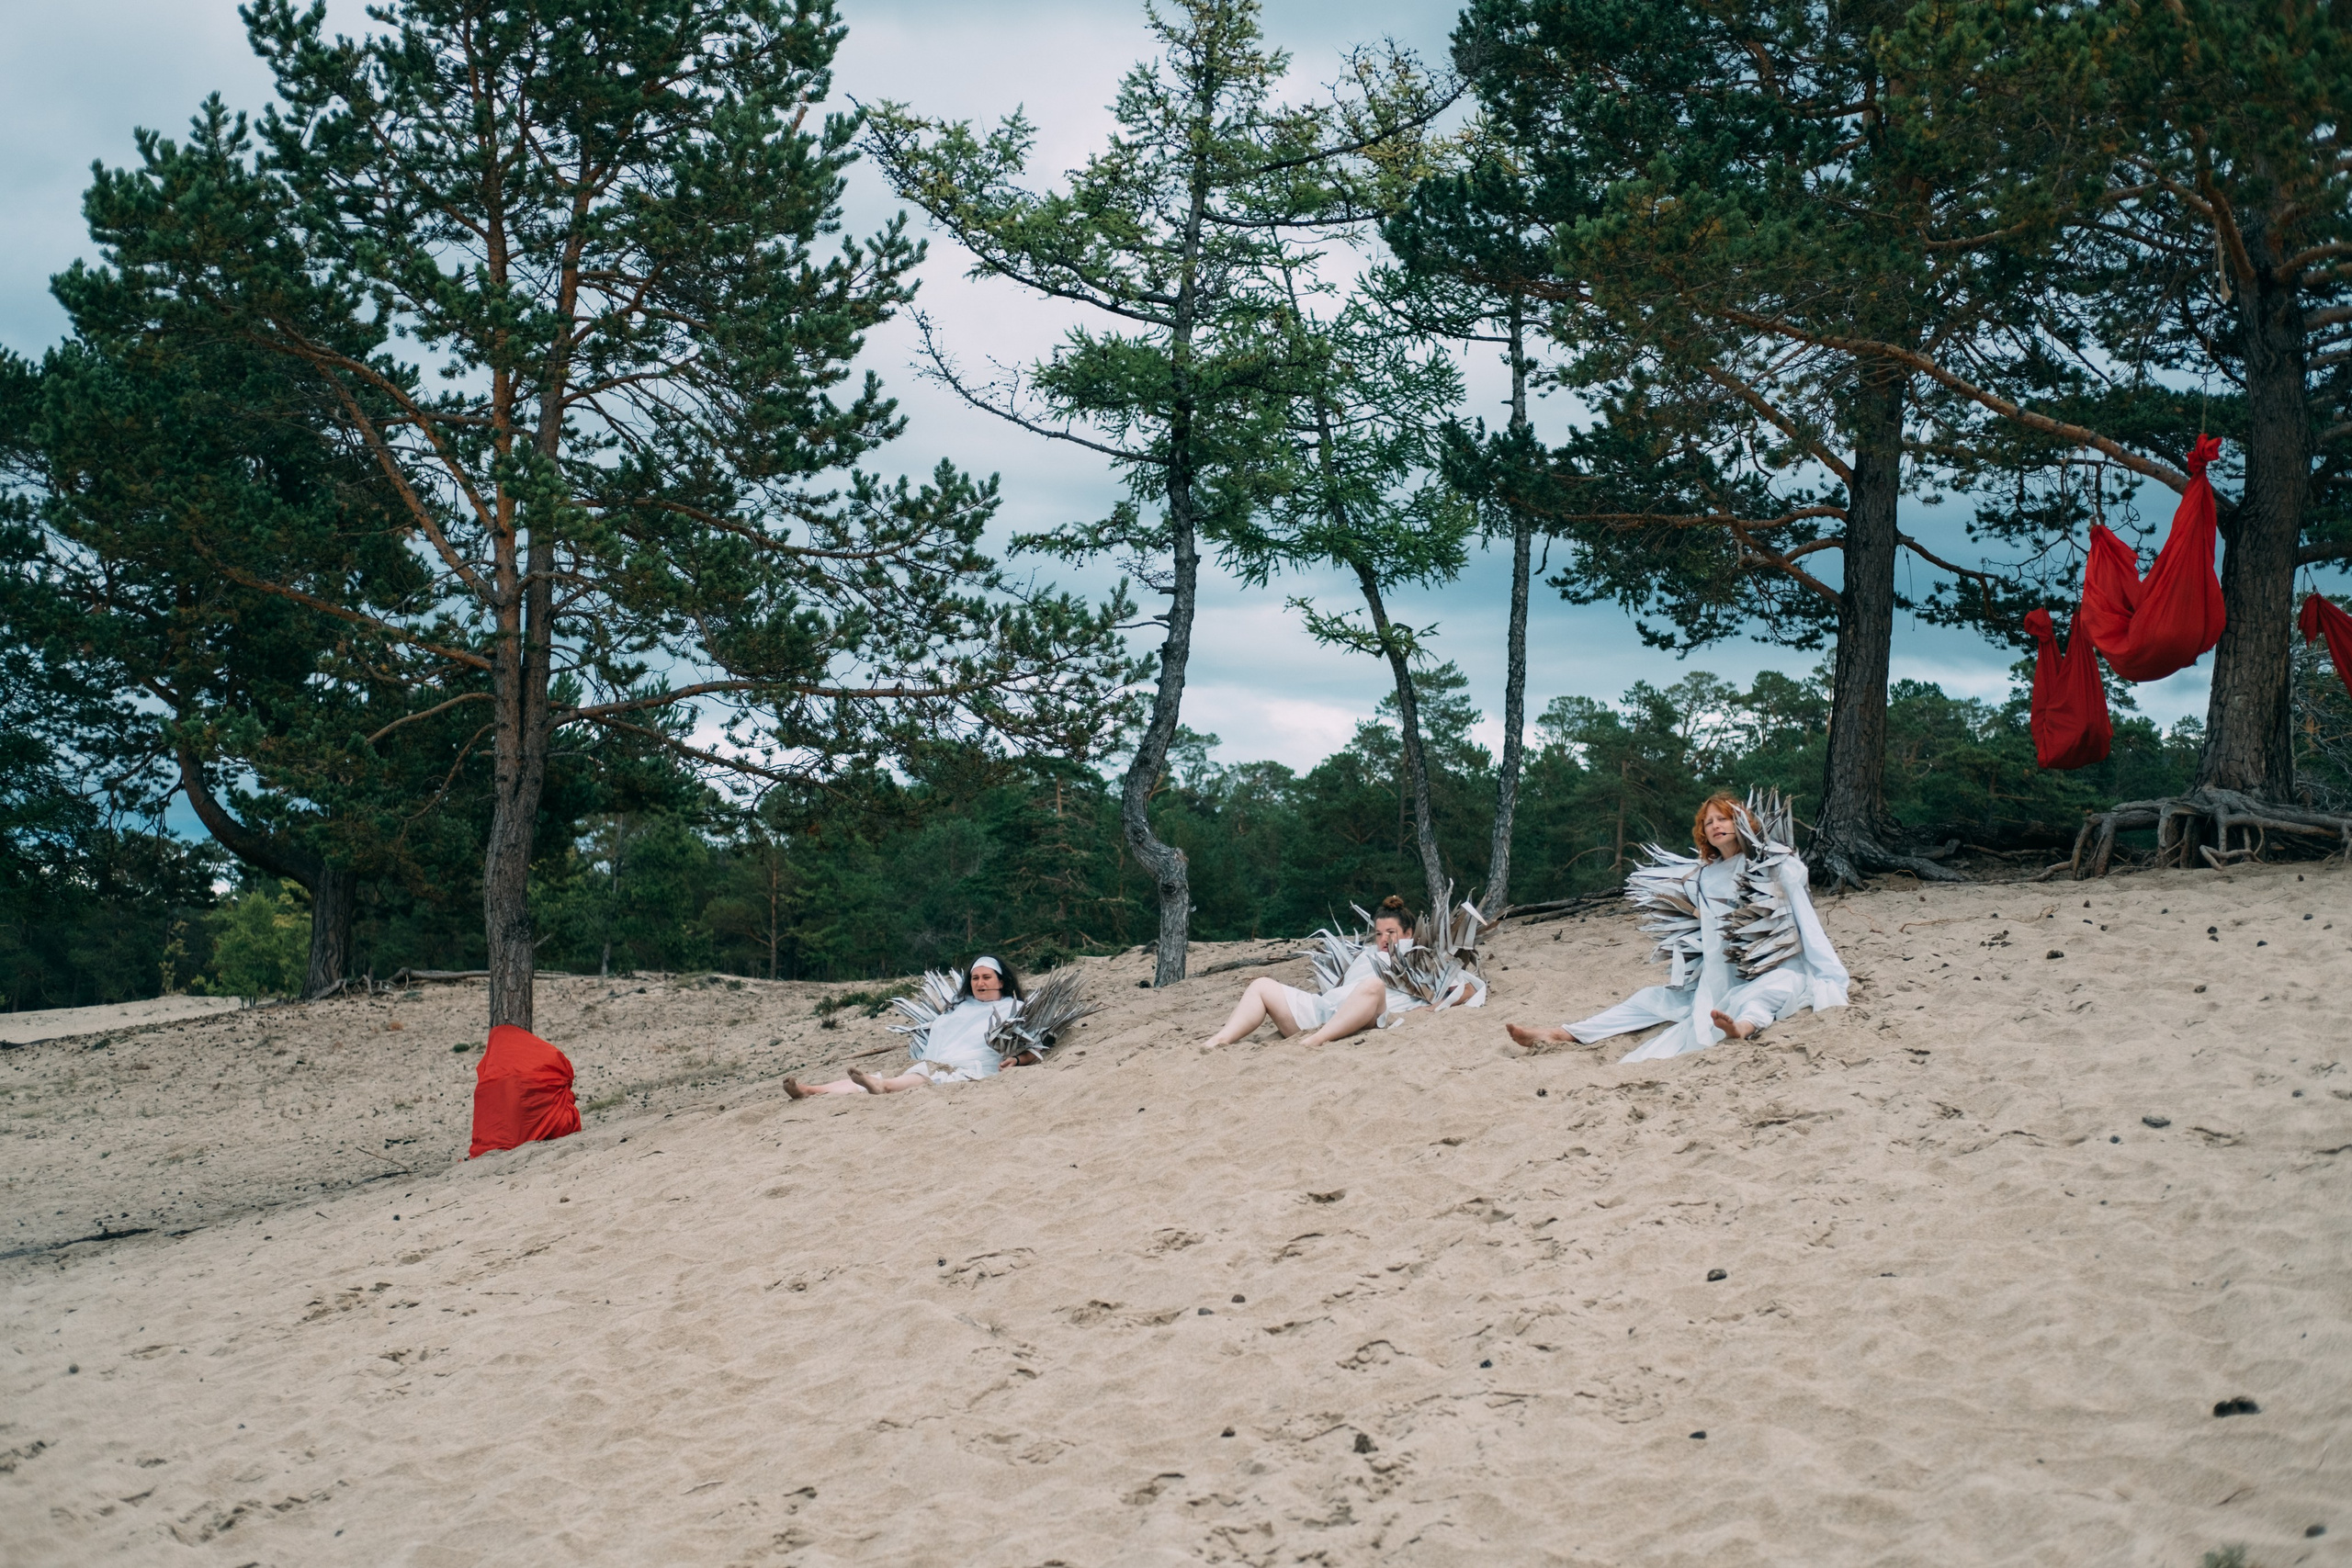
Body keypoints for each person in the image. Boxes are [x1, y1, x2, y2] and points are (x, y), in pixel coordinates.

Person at [1506, 794, 1849, 1061]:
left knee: (1767, 993)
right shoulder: (1703, 877)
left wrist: (1826, 970)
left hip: (1777, 967)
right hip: (1720, 978)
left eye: (1723, 818)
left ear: (1742, 820)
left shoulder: (1771, 862)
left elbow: (1803, 916)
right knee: (1649, 999)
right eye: (1708, 822)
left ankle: (1740, 1028)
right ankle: (1564, 1033)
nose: (1715, 825)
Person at [786, 956, 1039, 1097]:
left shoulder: (1014, 1007)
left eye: (986, 977)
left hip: (977, 1067)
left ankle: (882, 1088)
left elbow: (1038, 1043)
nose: (980, 983)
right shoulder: (961, 1006)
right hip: (938, 1062)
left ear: (1002, 981)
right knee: (908, 1075)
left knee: (915, 1078)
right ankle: (811, 1090)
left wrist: (1017, 1061)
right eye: (975, 978)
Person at [1202, 894, 1430, 1048]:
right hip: (1323, 1010)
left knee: (1374, 985)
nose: (1384, 939)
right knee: (1261, 985)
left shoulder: (1418, 956)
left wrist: (1431, 1007)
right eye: (1379, 933)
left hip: (1362, 1018)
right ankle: (1220, 1040)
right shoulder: (1366, 955)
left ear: (1408, 934)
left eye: (1391, 932)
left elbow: (1464, 989)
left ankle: (1314, 1042)